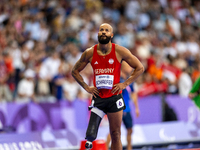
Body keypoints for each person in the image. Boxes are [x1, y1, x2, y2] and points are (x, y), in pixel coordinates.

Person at [71, 23, 144, 150]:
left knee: (116, 134)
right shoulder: (89, 53)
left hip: (114, 98)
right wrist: (86, 87)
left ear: (111, 35)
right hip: (98, 97)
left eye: (106, 30)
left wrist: (125, 83)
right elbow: (74, 71)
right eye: (101, 30)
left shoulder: (120, 51)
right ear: (98, 34)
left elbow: (140, 68)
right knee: (90, 135)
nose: (103, 32)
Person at [106, 62, 140, 150]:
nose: (131, 68)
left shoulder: (129, 80)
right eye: (129, 66)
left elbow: (133, 94)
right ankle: (105, 147)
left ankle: (129, 147)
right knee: (114, 131)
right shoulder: (116, 79)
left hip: (127, 109)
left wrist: (136, 108)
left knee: (130, 129)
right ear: (123, 67)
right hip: (117, 109)